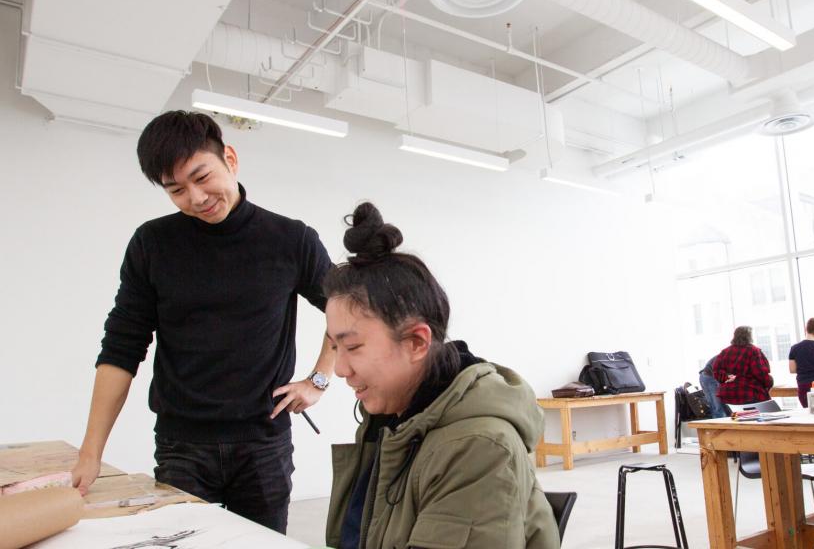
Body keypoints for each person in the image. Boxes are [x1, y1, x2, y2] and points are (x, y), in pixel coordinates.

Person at [70, 111, 335, 533]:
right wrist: (91, 451)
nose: (196, 197)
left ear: (230, 158)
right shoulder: (152, 244)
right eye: (176, 190)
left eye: (201, 176)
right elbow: (121, 347)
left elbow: (345, 309)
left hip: (262, 444)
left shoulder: (290, 239)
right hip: (182, 446)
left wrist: (318, 380)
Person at [322, 203, 559, 549]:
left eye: (353, 347)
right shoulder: (391, 421)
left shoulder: (479, 449)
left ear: (417, 342)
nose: (341, 369)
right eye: (334, 349)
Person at [713, 326, 773, 406]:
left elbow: (716, 371)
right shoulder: (753, 351)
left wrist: (727, 377)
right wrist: (769, 383)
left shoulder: (725, 351)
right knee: (754, 417)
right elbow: (760, 372)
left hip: (728, 394)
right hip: (749, 393)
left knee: (734, 418)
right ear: (749, 336)